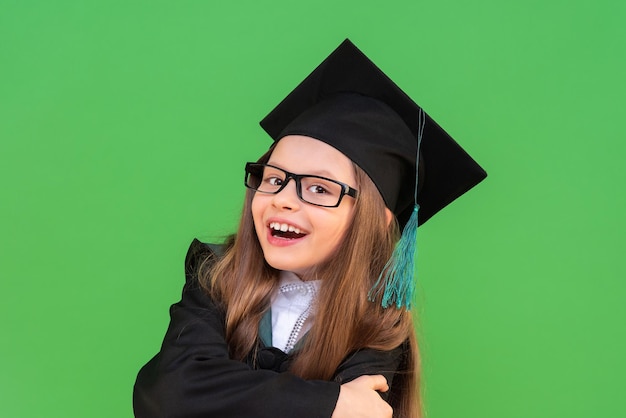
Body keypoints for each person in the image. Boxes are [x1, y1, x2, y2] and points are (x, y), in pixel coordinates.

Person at [133, 39, 487, 418]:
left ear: (377, 220)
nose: (284, 198)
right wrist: (332, 402)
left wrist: (218, 393)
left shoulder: (378, 326)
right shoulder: (218, 276)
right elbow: (169, 394)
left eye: (319, 188)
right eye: (273, 178)